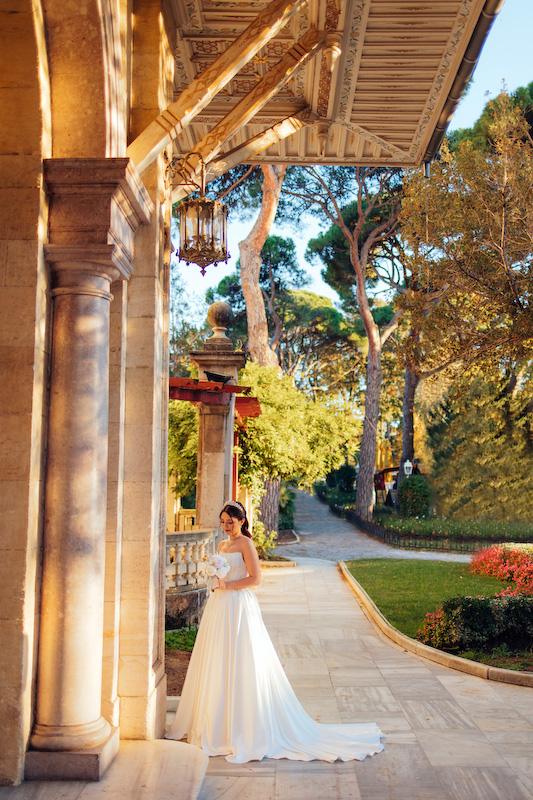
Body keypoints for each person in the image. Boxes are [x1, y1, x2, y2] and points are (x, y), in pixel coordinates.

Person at [166, 500, 383, 763]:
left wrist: (228, 585)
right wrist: (212, 572)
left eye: (230, 522)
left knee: (241, 659)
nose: (226, 526)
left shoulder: (246, 544)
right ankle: (216, 724)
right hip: (219, 606)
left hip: (238, 605)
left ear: (242, 521)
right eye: (223, 521)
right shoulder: (222, 545)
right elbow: (219, 572)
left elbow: (255, 578)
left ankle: (242, 728)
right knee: (217, 659)